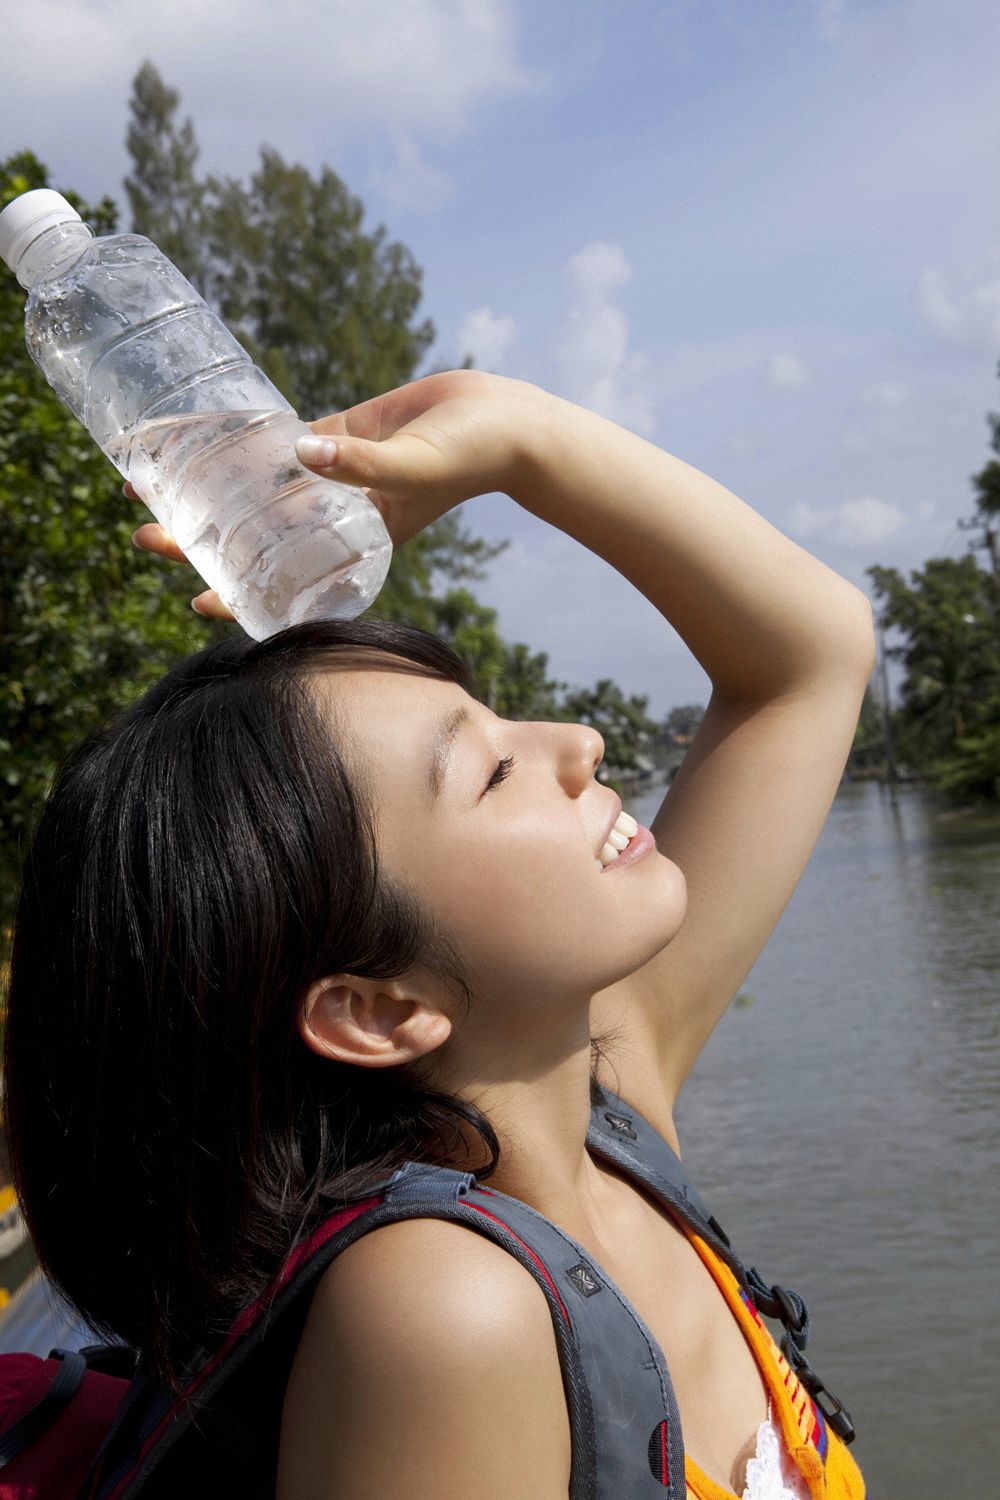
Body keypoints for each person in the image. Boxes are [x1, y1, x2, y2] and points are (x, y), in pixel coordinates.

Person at [2, 369, 874, 1499]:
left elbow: (808, 658)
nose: (579, 741)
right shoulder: (442, 1310)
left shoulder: (611, 1121)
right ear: (375, 1004)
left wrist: (517, 437)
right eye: (493, 768)